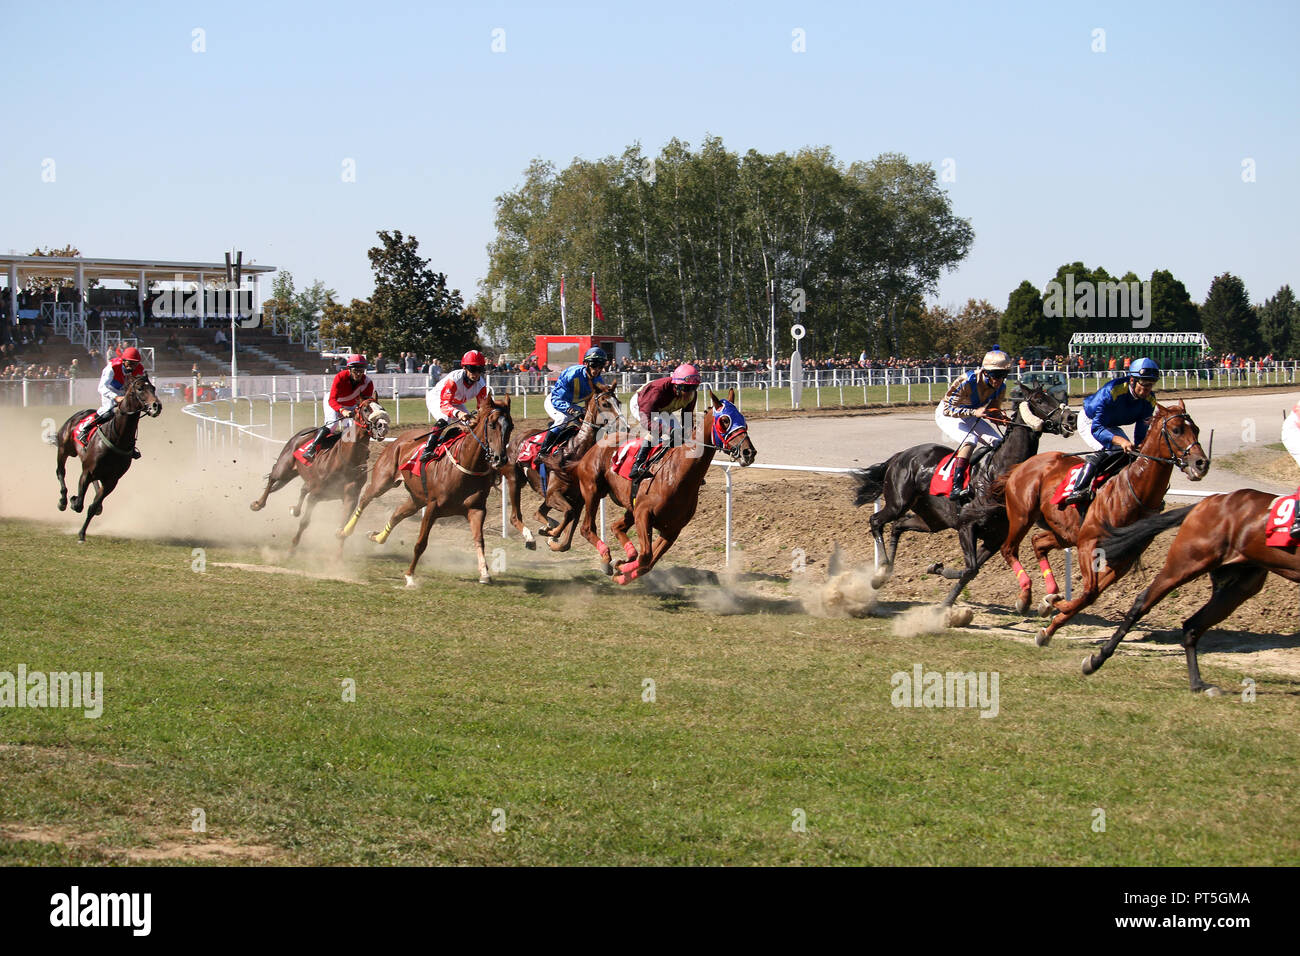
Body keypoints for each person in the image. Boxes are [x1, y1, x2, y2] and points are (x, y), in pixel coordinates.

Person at [1063, 357, 1160, 506]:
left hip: (1110, 425)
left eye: (1151, 385)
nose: (1147, 389)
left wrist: (1141, 448)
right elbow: (1097, 429)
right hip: (1091, 421)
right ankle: (1078, 489)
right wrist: (1121, 441)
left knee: (1132, 454)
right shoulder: (1112, 391)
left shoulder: (1149, 401)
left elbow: (1141, 435)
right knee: (1113, 449)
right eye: (1144, 384)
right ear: (1132, 380)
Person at [935, 350, 1012, 502]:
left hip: (971, 415)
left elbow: (993, 409)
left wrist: (1000, 418)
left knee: (999, 442)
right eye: (996, 375)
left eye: (1004, 375)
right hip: (948, 414)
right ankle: (957, 486)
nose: (1000, 380)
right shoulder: (967, 380)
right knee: (970, 439)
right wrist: (974, 412)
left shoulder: (1001, 387)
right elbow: (948, 409)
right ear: (986, 372)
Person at [627, 363, 700, 481]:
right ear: (676, 386)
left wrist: (688, 434)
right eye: (686, 388)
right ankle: (638, 465)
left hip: (664, 408)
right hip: (642, 405)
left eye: (693, 388)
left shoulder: (692, 394)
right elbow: (647, 422)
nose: (689, 393)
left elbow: (687, 417)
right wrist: (668, 431)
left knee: (680, 437)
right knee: (659, 432)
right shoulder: (657, 391)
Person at [420, 350, 493, 464]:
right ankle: (428, 450)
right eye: (472, 369)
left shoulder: (481, 385)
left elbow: (482, 409)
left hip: (456, 402)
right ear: (464, 368)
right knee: (444, 419)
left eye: (480, 370)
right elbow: (444, 404)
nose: (476, 373)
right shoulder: (454, 379)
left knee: (472, 425)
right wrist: (458, 414)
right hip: (438, 399)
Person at [301, 354, 375, 462]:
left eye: (361, 370)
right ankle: (312, 448)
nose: (359, 373)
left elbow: (365, 403)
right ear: (349, 369)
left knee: (351, 431)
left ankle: (352, 455)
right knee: (332, 424)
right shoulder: (340, 377)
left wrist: (356, 411)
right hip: (334, 402)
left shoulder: (368, 383)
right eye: (355, 370)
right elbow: (332, 400)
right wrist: (342, 410)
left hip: (351, 406)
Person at [78, 346, 147, 458]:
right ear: (124, 361)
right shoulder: (112, 367)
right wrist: (115, 397)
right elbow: (101, 387)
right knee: (108, 412)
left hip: (124, 392)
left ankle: (130, 445)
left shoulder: (139, 369)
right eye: (130, 363)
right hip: (110, 391)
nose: (132, 366)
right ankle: (85, 429)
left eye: (135, 363)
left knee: (131, 417)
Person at [538, 347, 609, 455]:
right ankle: (543, 451)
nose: (597, 369)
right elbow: (557, 399)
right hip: (555, 401)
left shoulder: (598, 381)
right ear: (586, 364)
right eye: (594, 365)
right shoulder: (572, 374)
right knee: (563, 418)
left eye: (600, 366)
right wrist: (571, 410)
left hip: (572, 404)